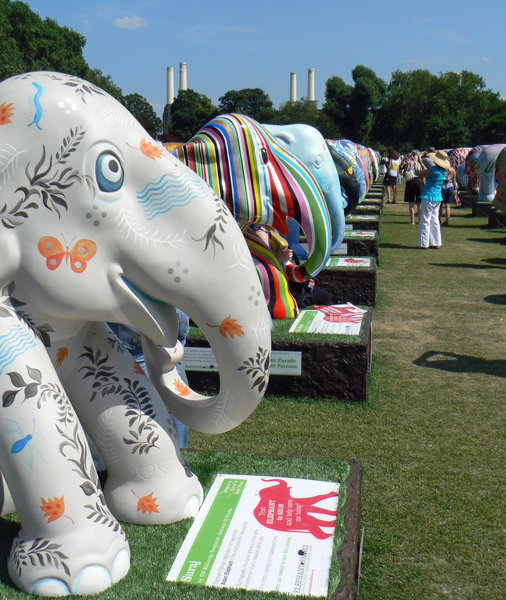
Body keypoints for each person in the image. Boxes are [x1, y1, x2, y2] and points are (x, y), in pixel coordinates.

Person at [414, 150, 451, 249]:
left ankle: (423, 243)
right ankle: (436, 242)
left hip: (428, 196)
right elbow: (427, 171)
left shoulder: (433, 170)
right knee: (435, 220)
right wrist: (421, 161)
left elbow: (419, 173)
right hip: (437, 197)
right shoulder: (443, 171)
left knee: (425, 220)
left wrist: (415, 163)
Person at [402, 150, 424, 224]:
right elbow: (422, 173)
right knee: (419, 202)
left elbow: (404, 174)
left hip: (410, 182)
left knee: (411, 202)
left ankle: (412, 221)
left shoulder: (409, 163)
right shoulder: (419, 164)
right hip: (418, 182)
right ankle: (420, 220)